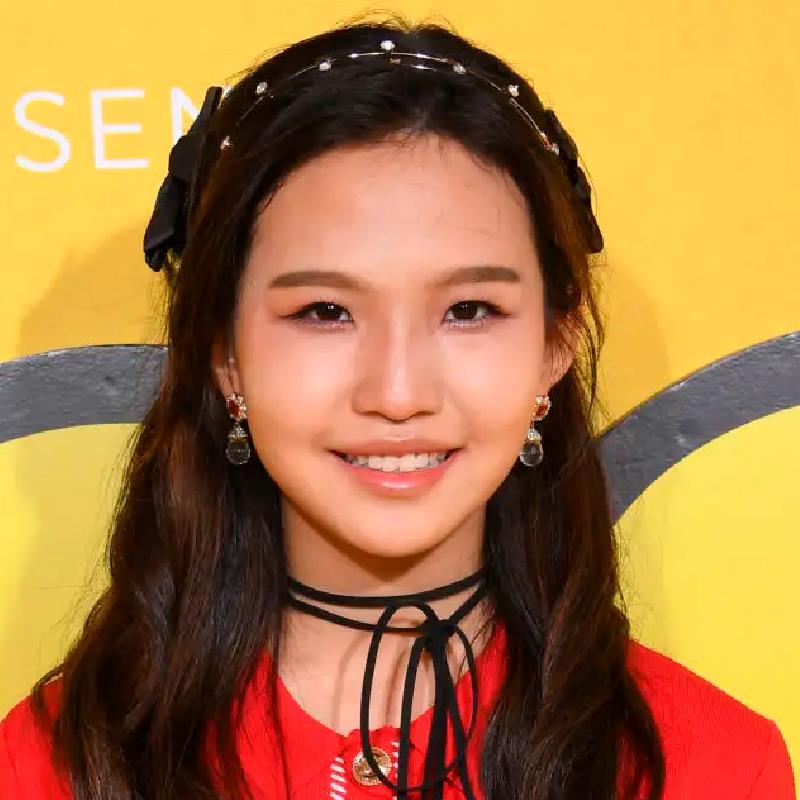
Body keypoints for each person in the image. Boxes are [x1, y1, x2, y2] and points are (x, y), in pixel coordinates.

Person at [0, 16, 795, 800]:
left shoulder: (714, 765)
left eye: (470, 310)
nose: (398, 394)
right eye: (324, 312)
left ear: (556, 344)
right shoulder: (53, 762)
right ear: (224, 353)